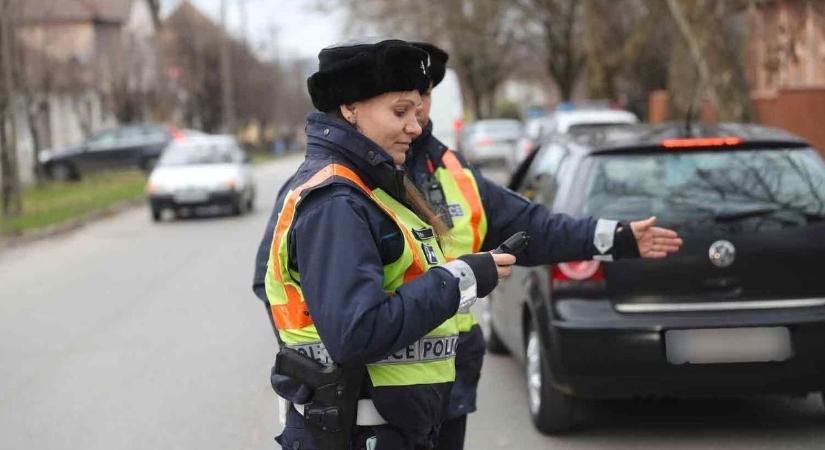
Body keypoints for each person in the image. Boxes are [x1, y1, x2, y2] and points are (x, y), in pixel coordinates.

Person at [402, 42, 684, 450]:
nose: (419, 109)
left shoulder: (452, 169)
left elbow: (535, 226)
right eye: (405, 100)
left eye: (425, 94)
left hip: (450, 381)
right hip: (379, 394)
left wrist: (616, 237)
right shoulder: (346, 183)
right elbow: (281, 280)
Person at [255, 38, 516, 450]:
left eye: (417, 111)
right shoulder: (338, 201)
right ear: (350, 108)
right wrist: (461, 278)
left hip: (386, 430)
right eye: (400, 112)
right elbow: (355, 333)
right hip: (357, 433)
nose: (416, 126)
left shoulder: (373, 188)